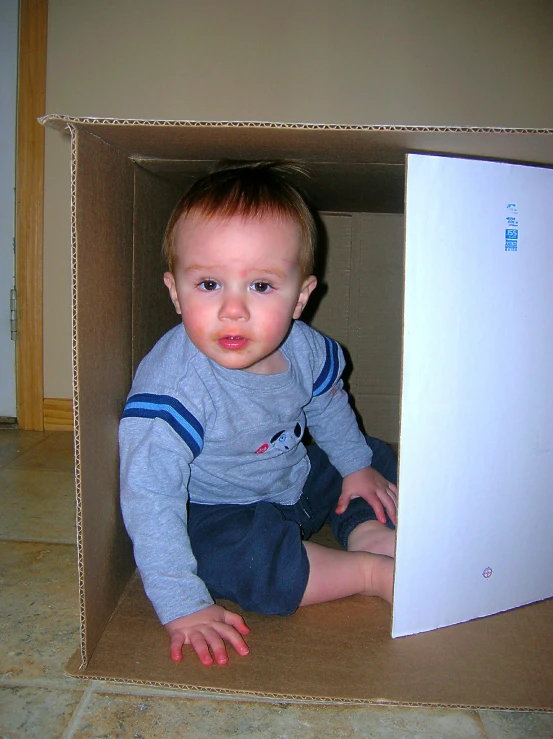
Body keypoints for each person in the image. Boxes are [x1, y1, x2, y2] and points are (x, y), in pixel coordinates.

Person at [119, 161, 398, 668]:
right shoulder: (173, 391)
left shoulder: (305, 349)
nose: (233, 310)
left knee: (375, 457)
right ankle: (368, 572)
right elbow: (150, 498)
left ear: (301, 297)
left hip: (294, 476)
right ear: (174, 291)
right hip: (219, 508)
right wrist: (183, 605)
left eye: (262, 287)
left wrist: (356, 470)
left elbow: (328, 403)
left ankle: (365, 529)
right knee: (233, 558)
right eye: (208, 284)